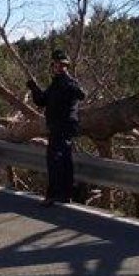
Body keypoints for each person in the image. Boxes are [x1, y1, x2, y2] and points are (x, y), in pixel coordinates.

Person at [26, 49, 85, 207]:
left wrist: (71, 86)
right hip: (56, 127)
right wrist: (34, 88)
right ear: (53, 65)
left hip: (64, 127)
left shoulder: (68, 82)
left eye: (63, 65)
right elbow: (42, 101)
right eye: (57, 65)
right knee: (64, 161)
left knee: (54, 159)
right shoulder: (55, 83)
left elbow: (80, 94)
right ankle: (65, 194)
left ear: (66, 66)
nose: (59, 67)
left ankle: (53, 195)